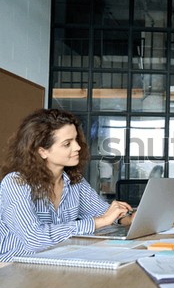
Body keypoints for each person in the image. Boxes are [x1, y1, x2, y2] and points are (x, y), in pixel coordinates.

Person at [0, 108, 134, 262]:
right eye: (67, 144)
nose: (77, 147)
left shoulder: (75, 181)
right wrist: (99, 222)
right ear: (42, 151)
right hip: (12, 267)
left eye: (76, 140)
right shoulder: (15, 183)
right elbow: (34, 239)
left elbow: (104, 212)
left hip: (54, 263)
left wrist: (127, 217)